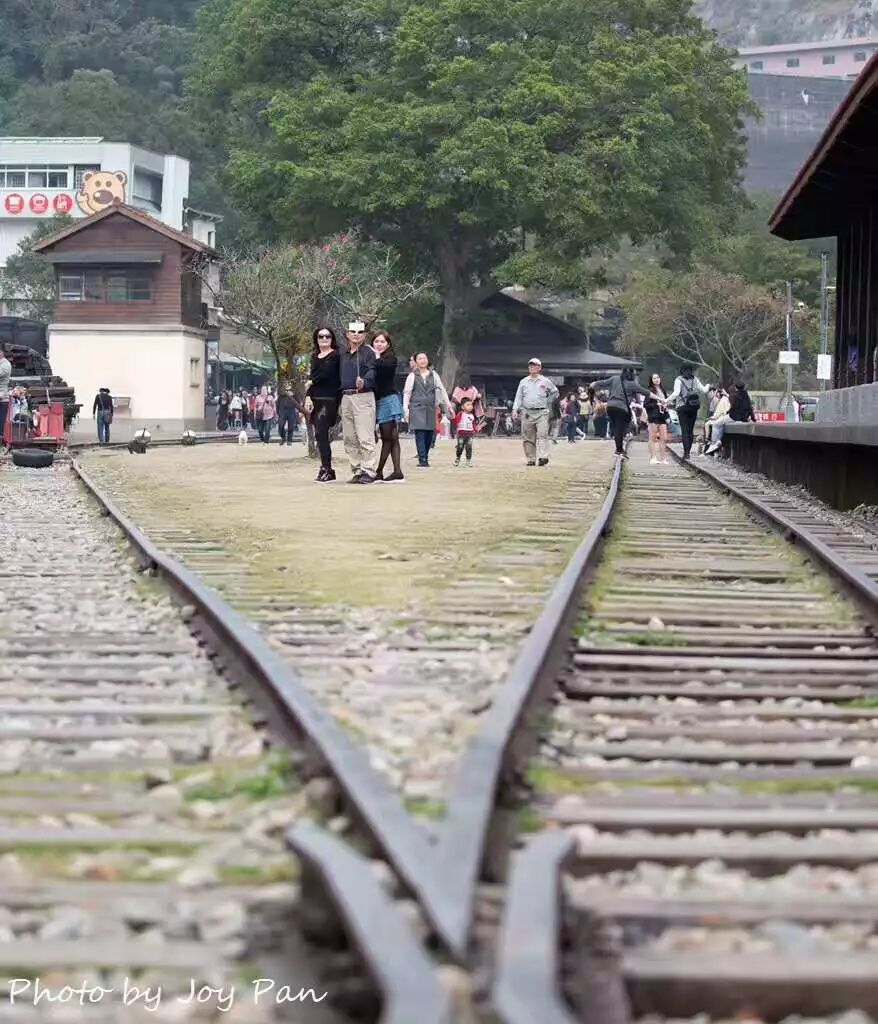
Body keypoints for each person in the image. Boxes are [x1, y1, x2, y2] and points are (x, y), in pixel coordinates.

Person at [339, 321, 379, 483]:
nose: (356, 334)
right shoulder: (342, 353)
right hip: (345, 397)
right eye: (353, 331)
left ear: (364, 335)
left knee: (365, 436)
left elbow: (372, 370)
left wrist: (364, 382)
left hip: (363, 396)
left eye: (360, 332)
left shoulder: (368, 352)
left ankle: (368, 471)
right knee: (349, 437)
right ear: (347, 334)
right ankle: (357, 470)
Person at [403, 352, 452, 467]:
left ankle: (425, 454)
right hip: (417, 407)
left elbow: (442, 390)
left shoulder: (434, 375)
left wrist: (448, 405)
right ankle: (423, 459)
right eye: (419, 358)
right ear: (416, 362)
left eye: (424, 358)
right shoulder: (412, 376)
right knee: (420, 432)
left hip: (430, 408)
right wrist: (405, 409)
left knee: (429, 433)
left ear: (428, 360)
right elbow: (407, 393)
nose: (422, 360)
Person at [306, 326, 341, 482]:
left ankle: (327, 468)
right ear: (316, 339)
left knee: (321, 432)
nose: (324, 339)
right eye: (321, 336)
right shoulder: (314, 357)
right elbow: (311, 378)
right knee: (319, 435)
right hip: (316, 399)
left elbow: (327, 373)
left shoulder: (336, 356)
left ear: (332, 339)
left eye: (328, 336)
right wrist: (308, 396)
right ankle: (326, 468)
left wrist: (312, 381)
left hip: (330, 399)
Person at [592, 368, 651, 458]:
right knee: (620, 429)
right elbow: (646, 392)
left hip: (610, 407)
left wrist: (594, 384)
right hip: (621, 408)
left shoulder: (614, 378)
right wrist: (661, 399)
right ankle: (619, 451)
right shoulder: (632, 384)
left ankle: (619, 449)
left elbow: (602, 383)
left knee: (617, 428)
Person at [511, 358, 560, 466]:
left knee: (543, 434)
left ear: (539, 368)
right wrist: (515, 409)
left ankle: (543, 457)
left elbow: (555, 392)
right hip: (527, 412)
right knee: (528, 437)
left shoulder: (545, 381)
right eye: (530, 365)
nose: (532, 367)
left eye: (534, 365)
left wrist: (548, 400)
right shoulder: (523, 382)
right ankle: (531, 459)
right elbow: (518, 397)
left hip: (542, 412)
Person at [371, 331, 405, 482]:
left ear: (388, 344)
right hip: (378, 401)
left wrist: (376, 355)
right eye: (376, 341)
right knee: (392, 437)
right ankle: (397, 471)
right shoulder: (370, 358)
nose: (379, 344)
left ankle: (380, 471)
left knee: (388, 438)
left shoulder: (390, 359)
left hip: (388, 400)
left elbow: (383, 367)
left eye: (382, 342)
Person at [666, 364, 711, 459]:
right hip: (693, 408)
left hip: (682, 407)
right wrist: (708, 385)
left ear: (681, 371)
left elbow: (676, 393)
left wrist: (666, 400)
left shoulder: (679, 380)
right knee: (690, 430)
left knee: (684, 430)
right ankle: (688, 451)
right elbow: (704, 390)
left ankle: (686, 453)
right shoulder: (695, 379)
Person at [706, 381, 756, 454]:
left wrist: (726, 395)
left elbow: (734, 403)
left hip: (734, 417)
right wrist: (753, 418)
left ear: (735, 388)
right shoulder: (746, 395)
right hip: (743, 417)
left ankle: (714, 443)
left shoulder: (735, 395)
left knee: (716, 424)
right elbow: (750, 408)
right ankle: (719, 442)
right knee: (722, 424)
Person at [644, 373, 670, 465]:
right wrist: (656, 404)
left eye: (658, 377)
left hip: (662, 416)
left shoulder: (663, 390)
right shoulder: (650, 391)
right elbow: (645, 404)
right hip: (653, 416)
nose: (656, 379)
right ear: (651, 380)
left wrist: (667, 414)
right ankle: (653, 457)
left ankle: (663, 458)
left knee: (664, 438)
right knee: (652, 437)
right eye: (654, 378)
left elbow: (666, 403)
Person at [453, 397, 477, 466]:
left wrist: (476, 429)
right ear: (462, 407)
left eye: (471, 405)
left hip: (470, 435)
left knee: (469, 447)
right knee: (460, 447)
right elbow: (455, 421)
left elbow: (473, 424)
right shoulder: (460, 414)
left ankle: (468, 460)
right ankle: (458, 458)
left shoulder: (472, 416)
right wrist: (452, 415)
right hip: (461, 435)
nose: (470, 406)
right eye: (468, 405)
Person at [0, 343, 11, 447]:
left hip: (1, 396)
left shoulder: (5, 365)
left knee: (1, 420)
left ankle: (1, 439)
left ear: (1, 353)